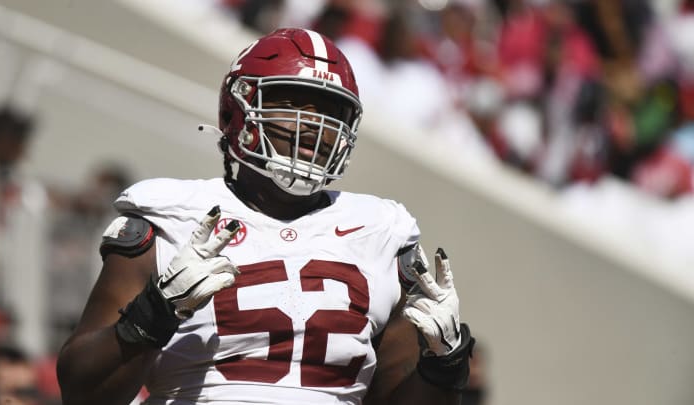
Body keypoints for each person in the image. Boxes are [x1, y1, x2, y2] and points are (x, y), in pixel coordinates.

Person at [56, 28, 475, 405]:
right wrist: (154, 313)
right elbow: (82, 391)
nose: (311, 124)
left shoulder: (380, 232)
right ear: (236, 111)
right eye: (291, 102)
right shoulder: (172, 215)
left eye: (328, 111)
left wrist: (444, 367)